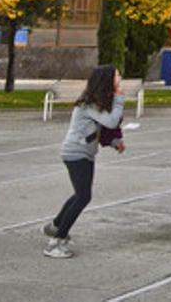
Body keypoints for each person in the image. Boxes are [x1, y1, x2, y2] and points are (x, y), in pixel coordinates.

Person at [42, 65, 125, 258]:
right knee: (83, 197)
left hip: (84, 153)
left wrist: (114, 141)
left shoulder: (97, 102)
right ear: (106, 80)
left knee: (80, 194)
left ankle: (55, 226)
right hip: (75, 153)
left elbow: (102, 128)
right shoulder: (88, 104)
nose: (120, 78)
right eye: (117, 76)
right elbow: (111, 121)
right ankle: (55, 243)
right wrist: (120, 98)